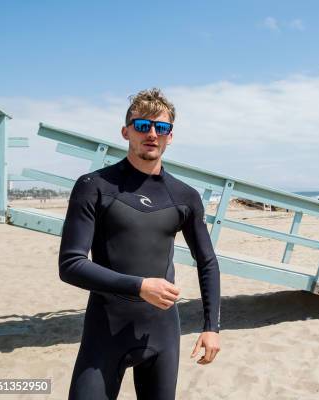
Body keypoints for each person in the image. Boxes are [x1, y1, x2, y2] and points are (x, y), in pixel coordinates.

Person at [59, 89, 221, 400]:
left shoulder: (184, 196)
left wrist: (211, 327)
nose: (151, 134)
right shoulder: (94, 186)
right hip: (104, 331)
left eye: (161, 128)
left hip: (161, 333)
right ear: (125, 131)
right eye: (142, 125)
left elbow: (208, 261)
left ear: (170, 136)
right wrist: (139, 286)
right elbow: (70, 265)